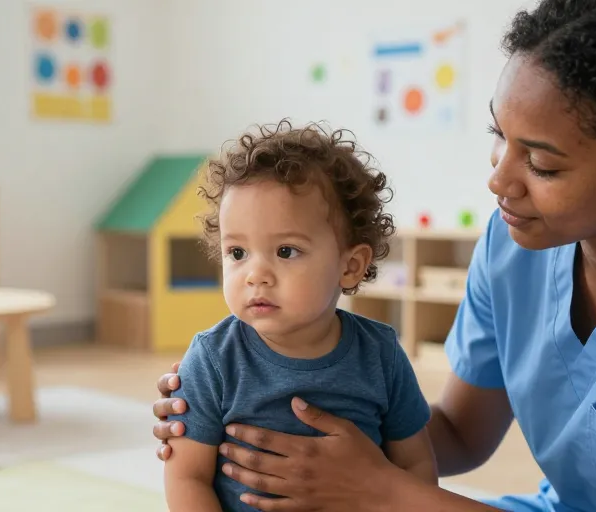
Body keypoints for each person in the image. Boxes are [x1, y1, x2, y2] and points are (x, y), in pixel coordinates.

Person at [151, 0, 596, 510]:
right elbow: (455, 435)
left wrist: (377, 488)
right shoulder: (515, 245)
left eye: (541, 162)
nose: (499, 181)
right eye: (499, 138)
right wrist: (248, 430)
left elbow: (397, 485)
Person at [162, 120, 437, 512]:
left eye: (286, 251)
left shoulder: (380, 355)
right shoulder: (213, 360)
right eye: (237, 253)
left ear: (351, 265)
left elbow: (415, 461)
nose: (255, 274)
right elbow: (186, 477)